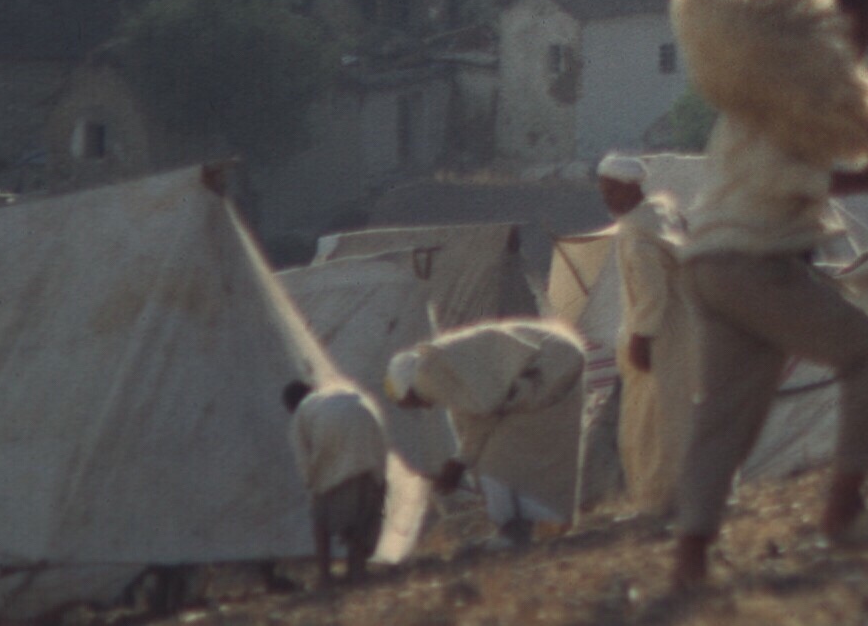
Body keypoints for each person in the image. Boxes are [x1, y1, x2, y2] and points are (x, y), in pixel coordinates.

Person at [664, 0, 868, 589]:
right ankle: (844, 510)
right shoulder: (792, 88)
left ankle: (691, 558)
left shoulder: (756, 76)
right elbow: (787, 177)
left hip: (708, 263)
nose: (867, 44)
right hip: (755, 263)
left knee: (725, 416)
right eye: (861, 31)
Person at [385, 320, 585, 546]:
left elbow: (484, 412)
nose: (420, 407)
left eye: (410, 402)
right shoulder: (442, 364)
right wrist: (460, 461)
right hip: (560, 358)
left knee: (496, 460)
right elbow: (480, 412)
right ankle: (537, 525)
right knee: (524, 452)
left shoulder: (427, 376)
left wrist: (460, 463)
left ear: (407, 388)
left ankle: (513, 532)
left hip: (549, 364)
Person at [597, 152, 688, 522]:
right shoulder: (661, 212)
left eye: (611, 190)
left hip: (660, 337)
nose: (606, 199)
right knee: (683, 420)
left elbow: (650, 291)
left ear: (629, 188)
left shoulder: (636, 233)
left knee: (647, 426)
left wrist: (641, 337)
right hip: (686, 334)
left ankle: (654, 505)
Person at [282, 377, 387, 583]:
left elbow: (304, 461)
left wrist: (314, 488)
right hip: (368, 426)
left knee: (321, 518)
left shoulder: (301, 414)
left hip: (334, 435)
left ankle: (325, 576)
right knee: (362, 517)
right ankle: (357, 571)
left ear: (290, 407)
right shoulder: (335, 394)